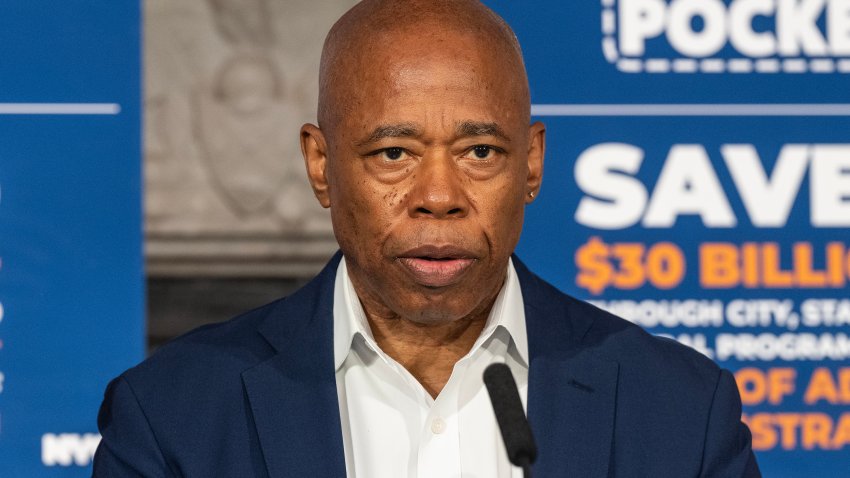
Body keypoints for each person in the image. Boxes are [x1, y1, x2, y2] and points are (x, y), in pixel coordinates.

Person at [93, 1, 761, 476]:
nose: (438, 197)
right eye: (393, 154)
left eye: (478, 152)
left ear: (531, 165)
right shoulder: (172, 416)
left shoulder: (678, 411)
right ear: (321, 167)